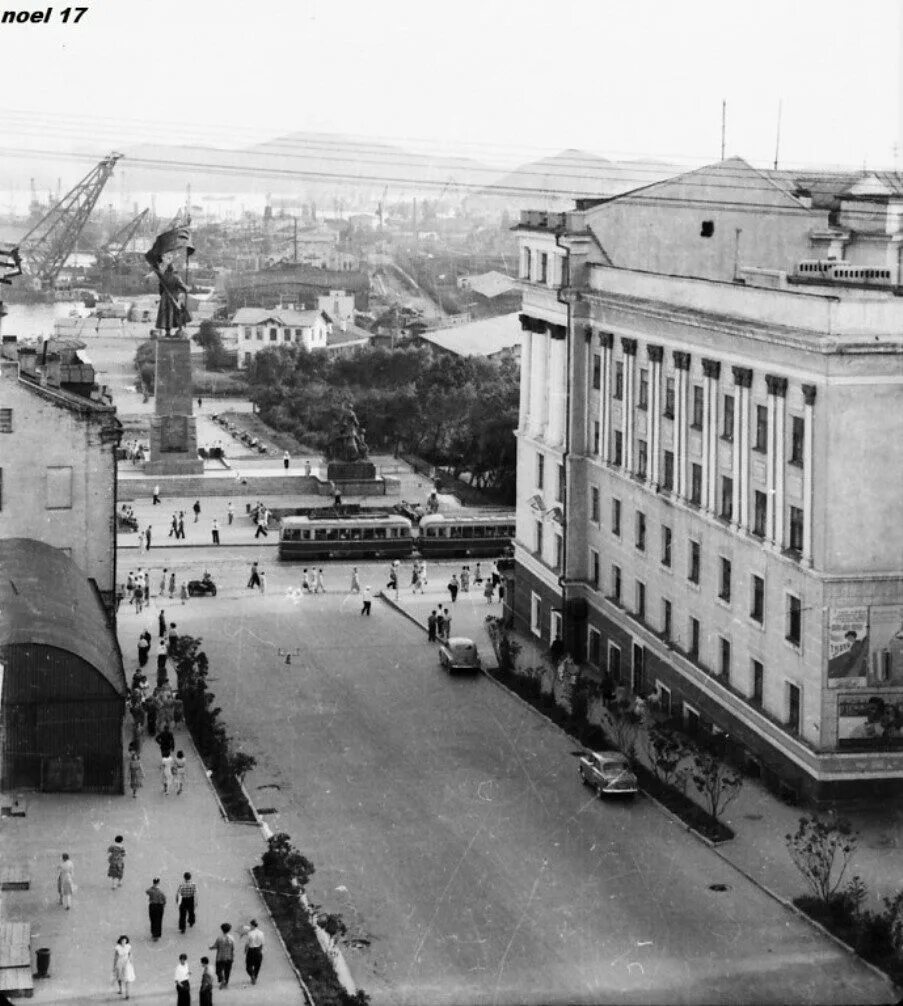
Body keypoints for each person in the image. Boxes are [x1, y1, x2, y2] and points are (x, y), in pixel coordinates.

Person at [209, 922, 235, 989]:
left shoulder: (219, 938)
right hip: (229, 956)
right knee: (227, 970)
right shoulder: (232, 938)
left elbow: (215, 946)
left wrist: (211, 947)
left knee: (218, 970)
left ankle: (222, 979)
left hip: (220, 957)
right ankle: (226, 982)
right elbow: (233, 948)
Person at [112, 935, 136, 1000]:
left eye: (125, 941)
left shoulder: (128, 947)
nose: (123, 942)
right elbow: (116, 957)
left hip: (127, 963)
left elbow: (130, 955)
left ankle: (127, 994)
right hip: (120, 963)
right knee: (119, 977)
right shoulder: (118, 948)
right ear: (120, 941)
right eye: (122, 941)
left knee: (127, 978)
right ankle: (120, 989)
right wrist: (114, 966)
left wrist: (131, 963)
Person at [242, 920, 264, 985]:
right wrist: (260, 950)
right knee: (257, 965)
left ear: (253, 925)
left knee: (248, 966)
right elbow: (262, 943)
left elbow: (247, 944)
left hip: (251, 950)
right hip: (258, 950)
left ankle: (252, 975)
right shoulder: (261, 933)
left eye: (250, 925)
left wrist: (245, 950)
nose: (250, 926)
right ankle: (255, 977)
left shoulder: (250, 933)